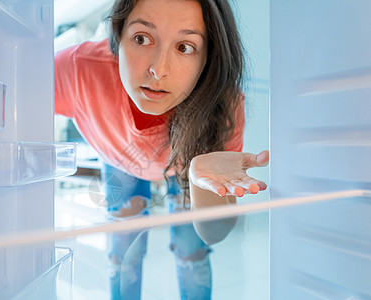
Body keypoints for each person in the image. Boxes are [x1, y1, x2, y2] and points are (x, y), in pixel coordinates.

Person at [54, 0, 269, 299]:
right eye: (142, 39)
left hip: (188, 166)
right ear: (118, 35)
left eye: (185, 47)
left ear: (209, 55)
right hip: (121, 160)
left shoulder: (224, 105)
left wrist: (202, 187)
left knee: (191, 251)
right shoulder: (79, 70)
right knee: (122, 251)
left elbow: (215, 232)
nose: (158, 70)